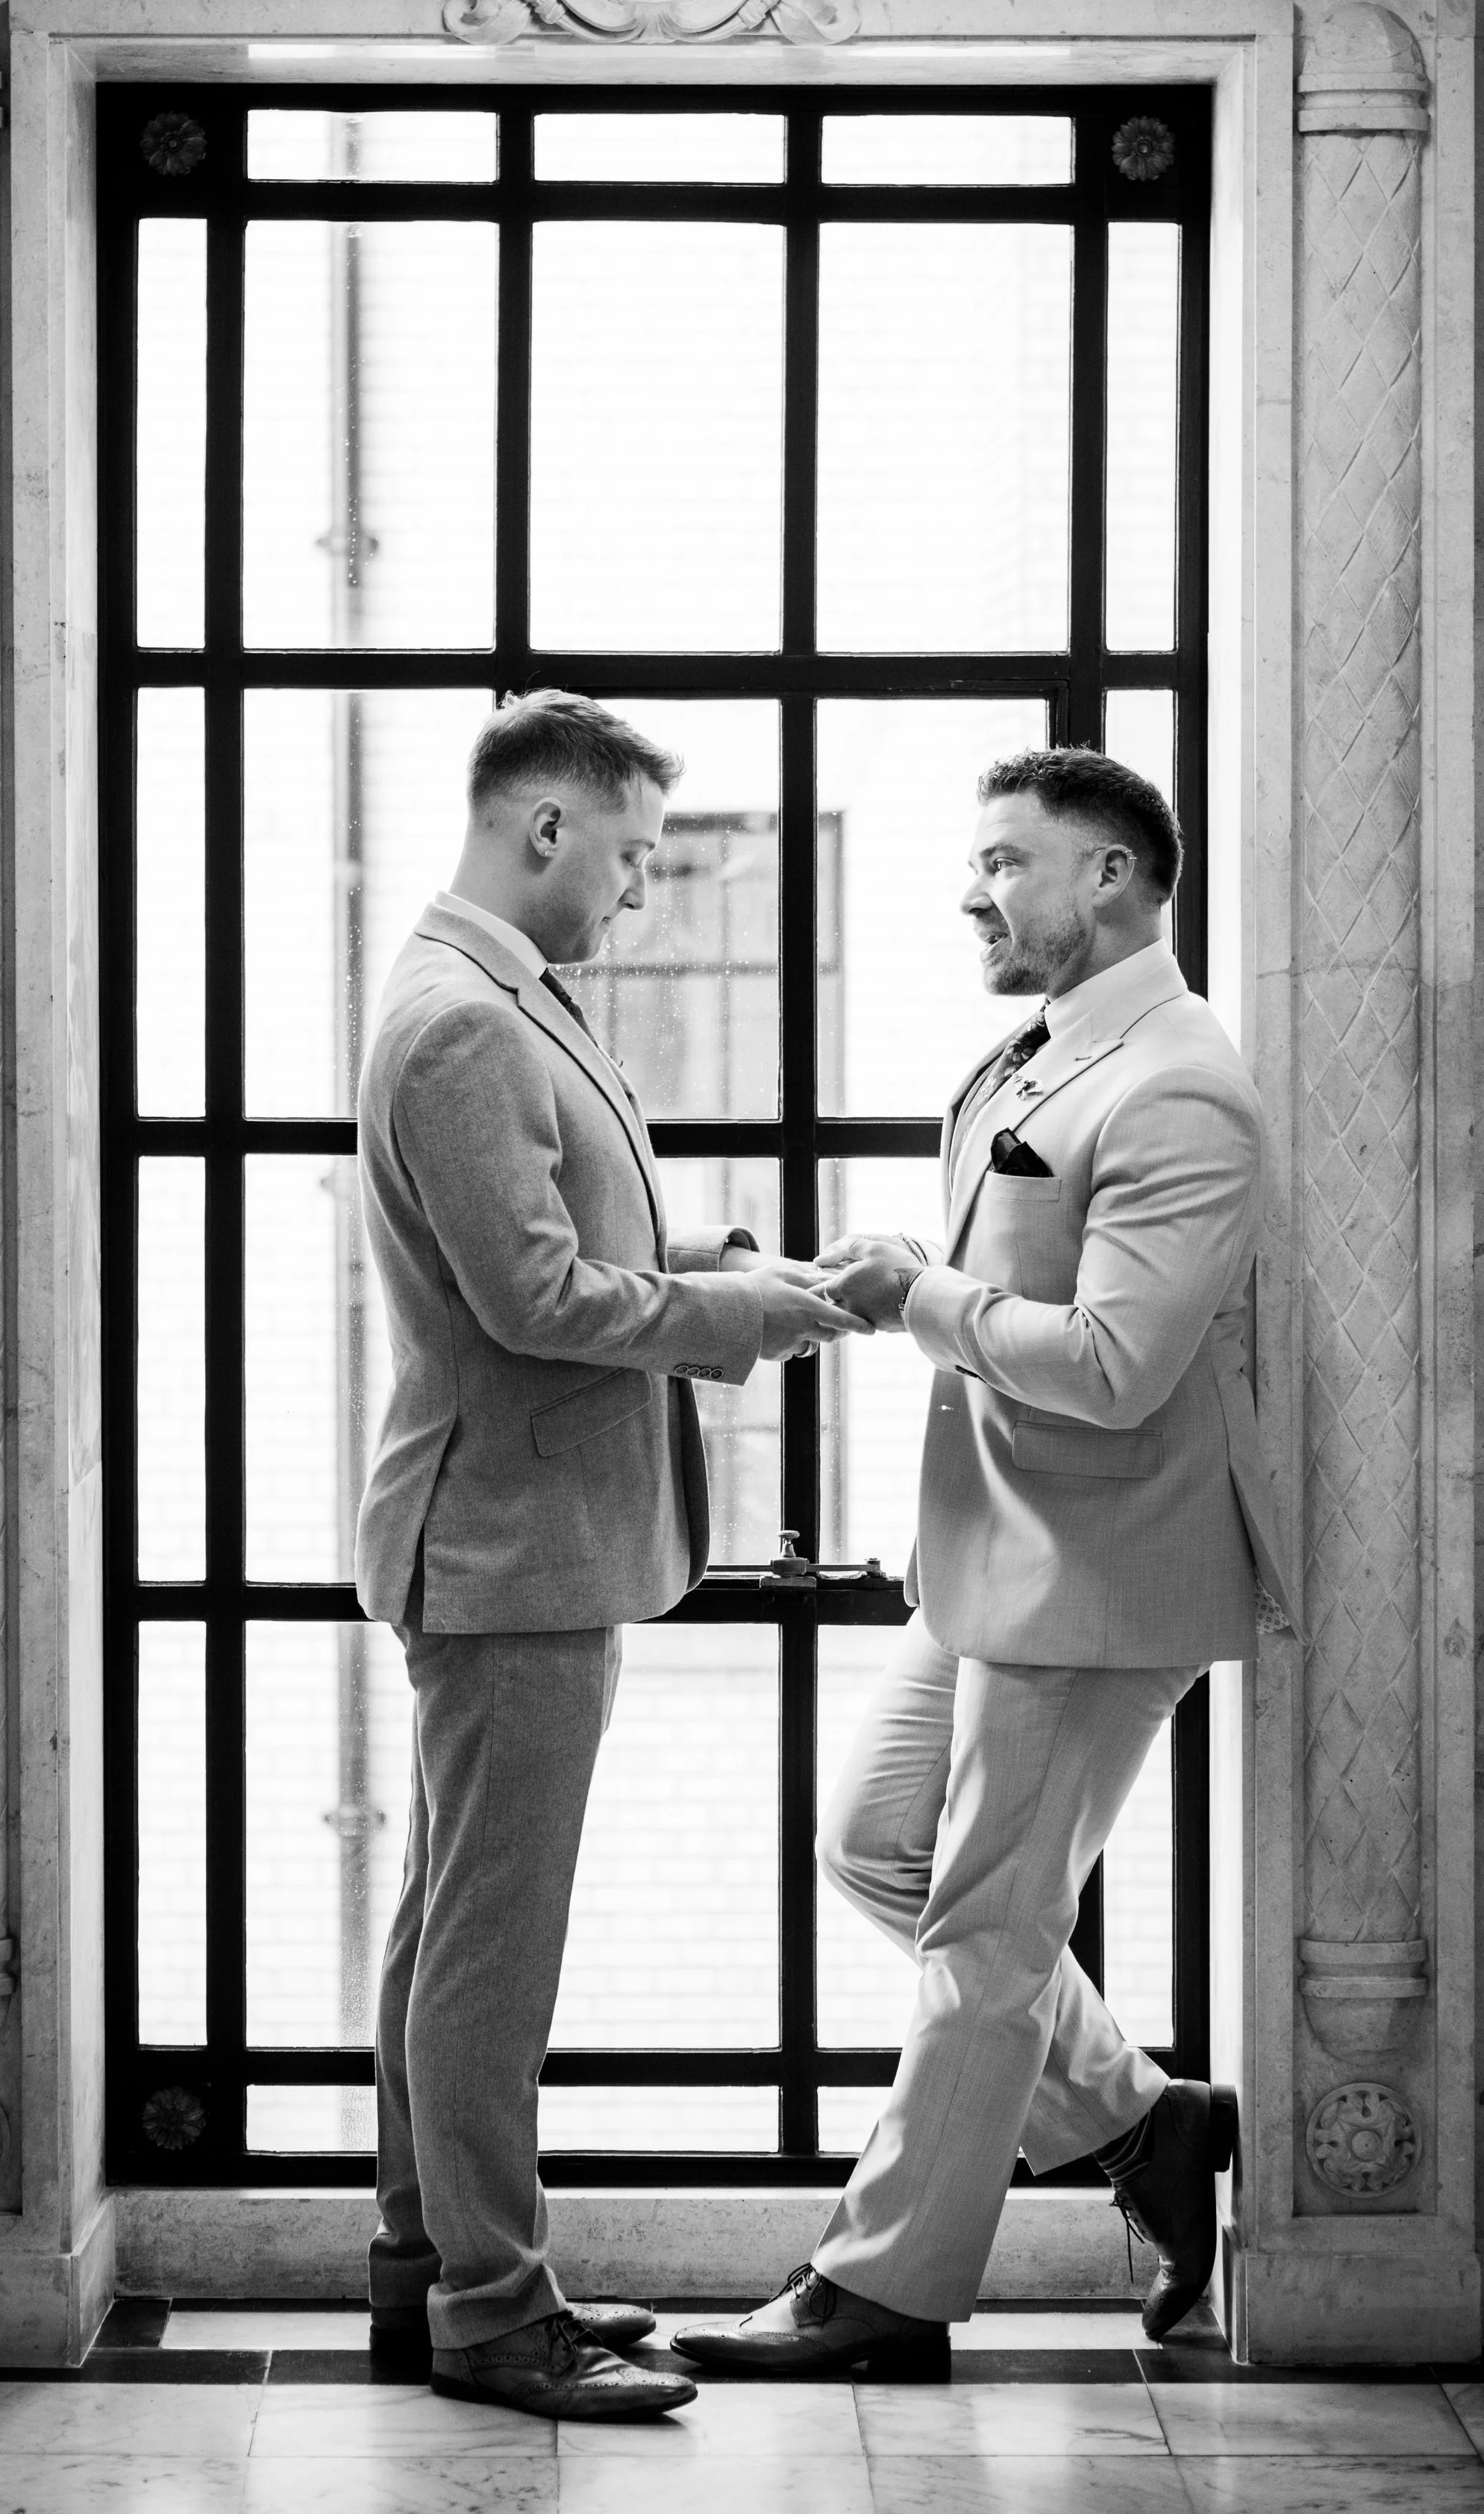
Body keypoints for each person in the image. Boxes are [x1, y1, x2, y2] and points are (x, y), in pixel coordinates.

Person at [675, 748, 1297, 2378]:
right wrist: (900, 1282)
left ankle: (879, 2291)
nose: (972, 891)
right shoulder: (1047, 1049)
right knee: (875, 1843)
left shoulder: (1176, 1081)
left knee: (983, 1936)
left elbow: (1113, 1363)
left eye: (1004, 861)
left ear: (1108, 876)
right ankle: (1148, 2126)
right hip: (991, 1554)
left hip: (1096, 1577)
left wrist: (910, 1299)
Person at [355, 689, 865, 2421]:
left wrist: (735, 1262)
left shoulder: (491, 1001)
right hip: (511, 1549)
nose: (638, 893)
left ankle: (426, 2270)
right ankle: (494, 2311)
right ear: (543, 828)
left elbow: (576, 1240)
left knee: (447, 1926)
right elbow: (537, 1300)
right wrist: (756, 1318)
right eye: (634, 858)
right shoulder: (464, 1026)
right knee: (492, 1948)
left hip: (515, 1538)